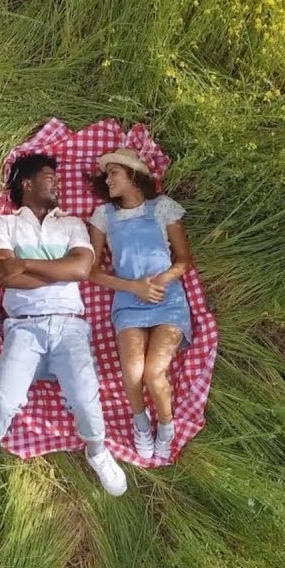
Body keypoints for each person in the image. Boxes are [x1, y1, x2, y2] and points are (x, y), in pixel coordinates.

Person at [0, 153, 128, 496]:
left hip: (69, 327)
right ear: (27, 183)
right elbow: (6, 277)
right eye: (50, 177)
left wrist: (25, 264)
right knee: (4, 400)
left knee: (86, 400)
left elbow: (81, 270)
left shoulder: (72, 224)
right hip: (24, 328)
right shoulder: (3, 225)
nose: (58, 184)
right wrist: (59, 272)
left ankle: (97, 450)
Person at [87, 147, 194, 464]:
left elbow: (184, 260)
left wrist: (160, 281)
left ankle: (166, 428)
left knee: (154, 372)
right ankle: (141, 424)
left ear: (133, 175)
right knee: (132, 374)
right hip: (128, 300)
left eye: (114, 173)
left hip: (167, 299)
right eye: (106, 175)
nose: (108, 180)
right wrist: (134, 287)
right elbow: (92, 271)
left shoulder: (162, 208)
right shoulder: (103, 216)